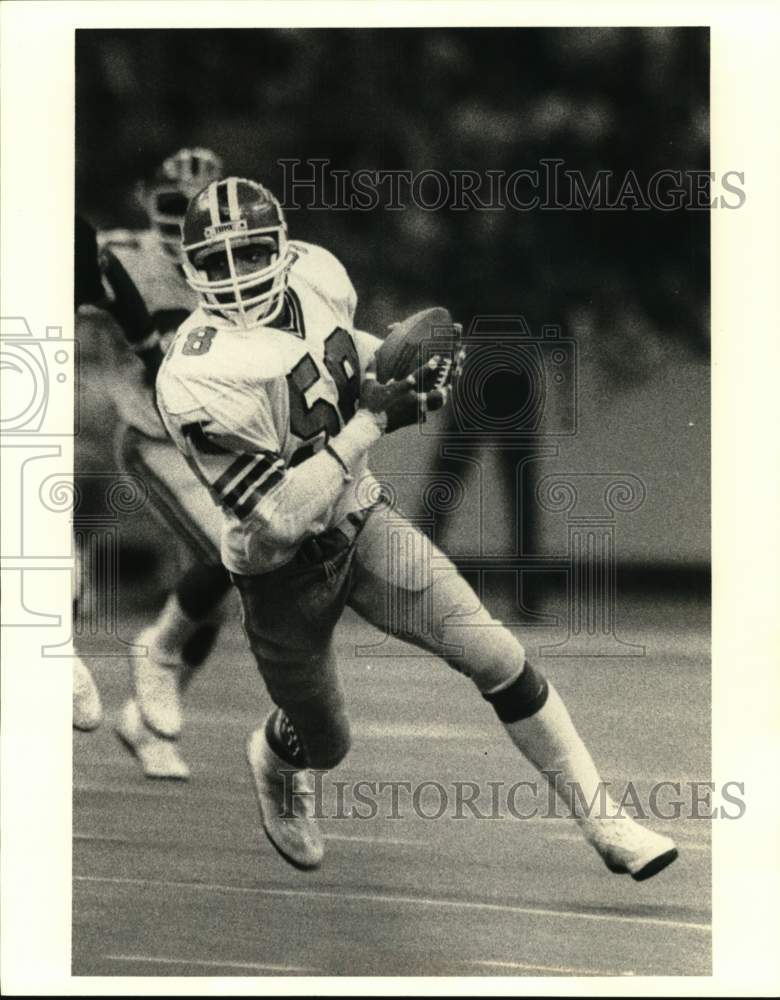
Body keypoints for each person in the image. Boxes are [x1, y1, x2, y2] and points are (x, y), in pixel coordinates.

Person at [157, 176, 678, 880]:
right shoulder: (195, 374)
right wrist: (375, 417)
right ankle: (278, 754)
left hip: (361, 518)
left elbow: (343, 353)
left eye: (248, 254)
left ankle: (607, 822)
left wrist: (406, 369)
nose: (235, 275)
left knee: (494, 653)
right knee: (327, 741)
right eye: (215, 263)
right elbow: (279, 520)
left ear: (279, 249)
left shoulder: (317, 273)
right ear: (192, 269)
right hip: (280, 573)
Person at [91, 148, 236, 777]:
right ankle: (155, 658)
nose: (184, 220)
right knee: (227, 552)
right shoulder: (120, 252)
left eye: (198, 207)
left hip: (223, 445)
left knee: (220, 589)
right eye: (173, 205)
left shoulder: (246, 258)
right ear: (145, 199)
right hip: (152, 436)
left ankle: (146, 719)